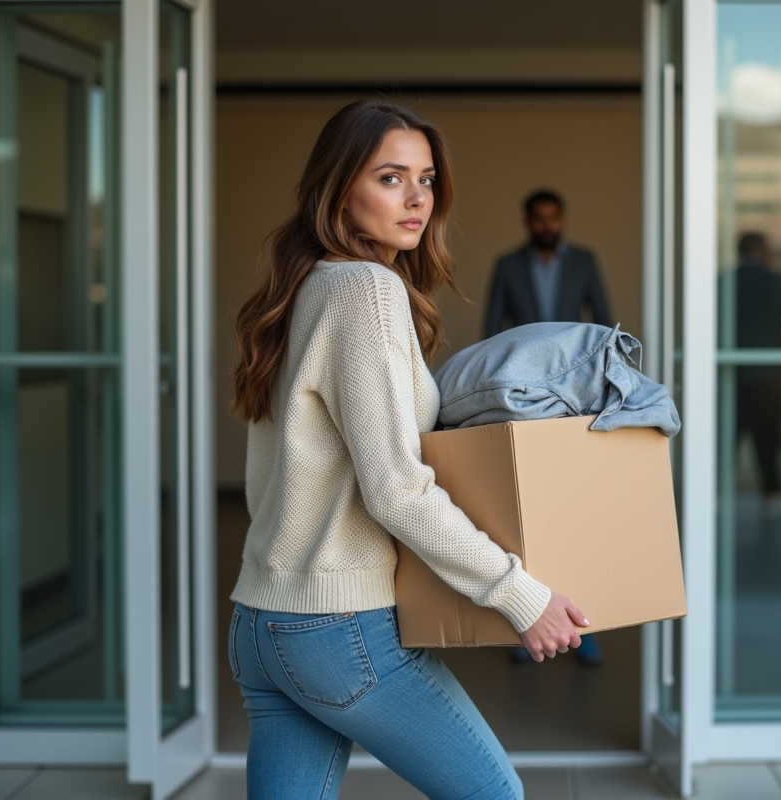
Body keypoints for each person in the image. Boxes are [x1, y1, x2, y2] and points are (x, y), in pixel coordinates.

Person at [228, 100, 589, 800]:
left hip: (262, 622)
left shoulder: (299, 288)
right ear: (337, 188)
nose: (417, 196)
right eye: (390, 177)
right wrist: (521, 596)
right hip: (338, 629)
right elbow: (397, 488)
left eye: (426, 178)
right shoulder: (365, 290)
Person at [733, 231, 781, 519]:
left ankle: (712, 493)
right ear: (763, 251)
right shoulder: (775, 279)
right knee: (769, 438)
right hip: (771, 374)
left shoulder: (726, 280)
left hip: (733, 373)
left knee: (728, 436)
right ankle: (773, 495)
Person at [483, 190, 612, 339]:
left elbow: (602, 317)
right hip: (524, 355)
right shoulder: (508, 265)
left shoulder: (583, 261)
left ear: (562, 220)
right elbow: (493, 323)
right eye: (540, 219)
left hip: (572, 356)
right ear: (527, 221)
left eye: (553, 218)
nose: (547, 225)